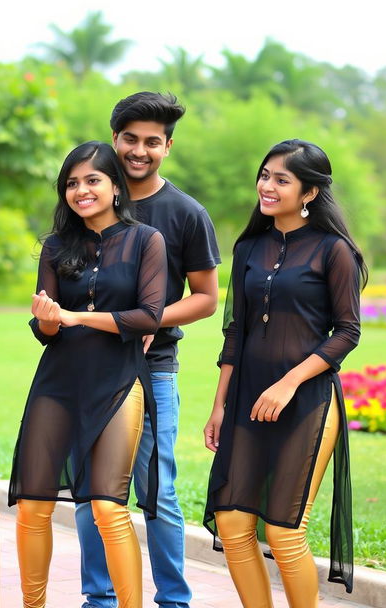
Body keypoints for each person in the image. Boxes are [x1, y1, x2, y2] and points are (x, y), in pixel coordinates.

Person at [203, 139, 367, 607]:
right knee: (234, 525)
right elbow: (235, 330)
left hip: (307, 402)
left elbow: (347, 333)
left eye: (282, 179)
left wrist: (289, 382)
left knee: (282, 529)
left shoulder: (334, 251)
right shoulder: (249, 247)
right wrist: (220, 405)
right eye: (265, 175)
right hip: (246, 400)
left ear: (309, 192)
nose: (267, 186)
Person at [75, 92, 220, 608]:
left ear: (168, 146)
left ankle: (174, 600)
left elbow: (206, 299)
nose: (140, 151)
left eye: (152, 142)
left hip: (151, 371)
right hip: (87, 370)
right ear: (115, 140)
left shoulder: (185, 213)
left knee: (156, 491)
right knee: (92, 494)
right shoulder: (89, 198)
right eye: (130, 139)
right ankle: (100, 598)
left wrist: (147, 320)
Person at [8, 141, 167, 608]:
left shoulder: (145, 241)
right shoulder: (56, 246)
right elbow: (45, 329)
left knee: (106, 505)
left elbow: (148, 316)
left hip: (119, 381)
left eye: (92, 180)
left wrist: (76, 318)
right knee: (33, 504)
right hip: (58, 383)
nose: (81, 190)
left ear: (116, 186)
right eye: (72, 183)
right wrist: (50, 320)